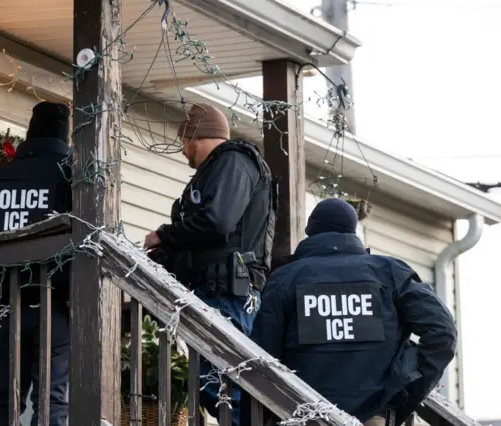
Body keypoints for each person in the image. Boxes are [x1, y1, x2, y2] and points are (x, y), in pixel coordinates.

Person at [241, 198, 457, 426]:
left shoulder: (286, 278)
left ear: (310, 231)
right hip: (372, 417)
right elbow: (442, 333)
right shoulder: (391, 273)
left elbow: (262, 358)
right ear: (352, 231)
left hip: (303, 414)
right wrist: (405, 389)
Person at [144, 103, 277, 426]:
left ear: (195, 136)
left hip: (228, 294)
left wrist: (164, 235)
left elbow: (217, 223)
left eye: (183, 142)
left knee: (225, 386)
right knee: (216, 386)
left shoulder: (233, 161)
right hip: (218, 292)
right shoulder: (223, 168)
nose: (182, 152)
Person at [0, 101, 73, 426]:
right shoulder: (74, 177)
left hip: (4, 306)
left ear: (30, 132)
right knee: (51, 402)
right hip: (57, 307)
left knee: (4, 400)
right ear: (64, 135)